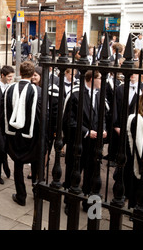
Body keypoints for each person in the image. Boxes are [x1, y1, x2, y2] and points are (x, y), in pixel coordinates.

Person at [62, 70, 107, 203]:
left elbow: (102, 116)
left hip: (94, 143)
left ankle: (88, 201)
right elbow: (69, 120)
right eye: (100, 78)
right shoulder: (75, 94)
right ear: (92, 79)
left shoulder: (99, 95)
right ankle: (69, 203)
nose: (102, 81)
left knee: (92, 173)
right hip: (78, 142)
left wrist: (103, 129)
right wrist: (86, 132)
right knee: (74, 172)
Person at [4, 61, 42, 206]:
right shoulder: (37, 90)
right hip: (32, 134)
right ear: (33, 75)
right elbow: (40, 114)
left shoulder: (9, 89)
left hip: (14, 135)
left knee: (18, 165)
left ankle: (21, 196)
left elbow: (4, 110)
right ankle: (36, 191)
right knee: (35, 163)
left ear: (19, 73)